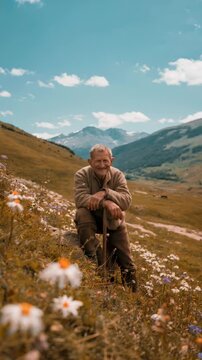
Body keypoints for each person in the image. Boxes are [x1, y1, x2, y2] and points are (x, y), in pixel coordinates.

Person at [74, 144, 137, 292]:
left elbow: (126, 201)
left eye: (105, 161)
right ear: (90, 162)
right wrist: (106, 203)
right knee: (82, 213)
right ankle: (95, 265)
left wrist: (106, 193)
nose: (102, 165)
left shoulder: (117, 175)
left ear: (111, 160)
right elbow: (80, 199)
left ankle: (134, 295)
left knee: (127, 263)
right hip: (91, 219)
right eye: (97, 161)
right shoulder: (81, 174)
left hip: (114, 221)